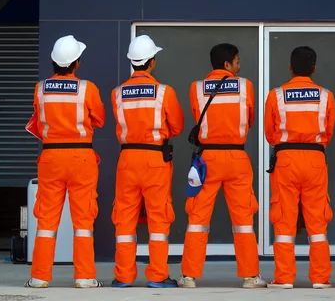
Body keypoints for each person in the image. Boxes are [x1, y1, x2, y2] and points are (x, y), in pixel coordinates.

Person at [180, 43, 266, 289]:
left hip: (207, 160)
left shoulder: (196, 88)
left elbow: (198, 115)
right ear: (227, 64)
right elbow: (249, 120)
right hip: (237, 159)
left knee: (197, 218)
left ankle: (189, 276)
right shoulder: (245, 86)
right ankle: (250, 276)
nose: (239, 67)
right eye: (237, 62)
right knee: (243, 219)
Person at [25, 35, 105, 288]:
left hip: (50, 158)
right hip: (81, 157)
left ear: (53, 61)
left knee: (46, 221)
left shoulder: (40, 89)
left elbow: (37, 122)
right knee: (83, 221)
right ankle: (84, 277)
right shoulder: (87, 89)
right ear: (77, 63)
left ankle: (39, 277)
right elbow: (100, 120)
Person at [110, 35, 185, 288]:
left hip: (127, 159)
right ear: (152, 62)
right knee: (158, 217)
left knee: (124, 218)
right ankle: (157, 275)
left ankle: (123, 277)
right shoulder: (164, 92)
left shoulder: (117, 93)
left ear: (132, 62)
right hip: (155, 160)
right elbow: (176, 126)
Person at [264, 46, 335, 289]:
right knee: (317, 221)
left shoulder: (276, 94)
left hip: (286, 160)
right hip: (315, 160)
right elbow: (328, 133)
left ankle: (284, 278)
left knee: (284, 220)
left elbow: (269, 133)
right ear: (314, 68)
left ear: (290, 67)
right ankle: (321, 278)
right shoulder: (326, 95)